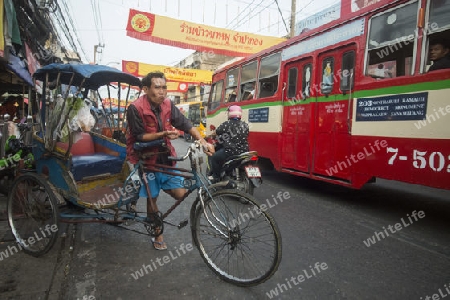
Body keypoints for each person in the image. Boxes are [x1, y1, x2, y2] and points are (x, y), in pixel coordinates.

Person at [126, 71, 214, 250]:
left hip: (166, 157)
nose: (162, 92)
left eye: (164, 87)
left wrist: (203, 141)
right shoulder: (135, 108)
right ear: (145, 89)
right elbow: (139, 136)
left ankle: (144, 200)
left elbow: (185, 124)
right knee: (153, 198)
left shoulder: (168, 104)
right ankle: (157, 232)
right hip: (146, 159)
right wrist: (164, 133)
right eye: (157, 87)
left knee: (180, 193)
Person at [208, 105, 249, 181]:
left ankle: (216, 177)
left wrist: (209, 136)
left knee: (214, 158)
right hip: (244, 151)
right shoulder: (245, 125)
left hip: (230, 151)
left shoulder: (226, 124)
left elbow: (216, 133)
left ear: (230, 114)